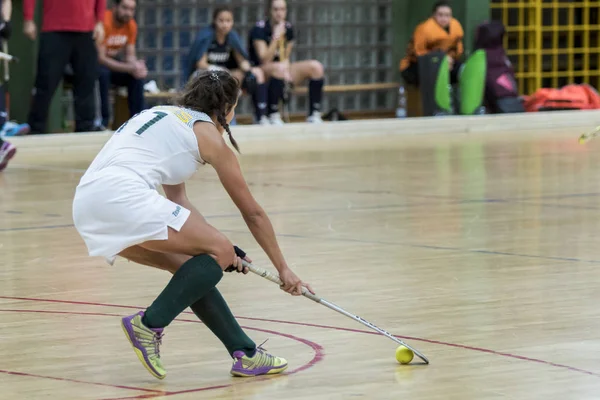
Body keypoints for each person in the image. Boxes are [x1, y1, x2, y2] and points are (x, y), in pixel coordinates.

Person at [72, 70, 313, 379]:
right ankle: (149, 324)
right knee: (216, 252)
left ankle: (245, 353)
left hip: (87, 204)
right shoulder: (210, 137)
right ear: (225, 108)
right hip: (122, 197)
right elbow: (252, 212)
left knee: (194, 265)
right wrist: (283, 268)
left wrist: (221, 248)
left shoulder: (164, 116)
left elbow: (179, 205)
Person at [24, 0, 105, 134]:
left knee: (87, 81)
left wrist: (100, 21)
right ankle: (36, 129)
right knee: (45, 82)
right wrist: (28, 18)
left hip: (86, 29)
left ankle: (85, 129)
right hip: (54, 29)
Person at [185, 6, 268, 125]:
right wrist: (218, 69)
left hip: (224, 77)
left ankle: (260, 117)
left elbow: (241, 61)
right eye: (221, 20)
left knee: (256, 73)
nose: (225, 24)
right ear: (214, 21)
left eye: (228, 21)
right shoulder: (207, 36)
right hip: (205, 76)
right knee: (220, 82)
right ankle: (216, 121)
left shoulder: (232, 37)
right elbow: (200, 63)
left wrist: (250, 71)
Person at [249, 0, 325, 125]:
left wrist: (287, 68)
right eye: (276, 9)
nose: (279, 13)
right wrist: (275, 37)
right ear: (269, 11)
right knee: (278, 68)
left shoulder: (288, 28)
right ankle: (273, 114)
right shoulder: (260, 29)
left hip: (281, 69)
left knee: (316, 67)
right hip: (262, 71)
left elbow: (285, 56)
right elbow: (264, 58)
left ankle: (314, 114)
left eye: (283, 9)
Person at [98, 0, 147, 129]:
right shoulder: (105, 21)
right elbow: (101, 58)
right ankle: (103, 122)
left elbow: (130, 55)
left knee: (136, 77)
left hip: (113, 66)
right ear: (115, 7)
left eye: (132, 9)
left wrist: (137, 67)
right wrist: (129, 67)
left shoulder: (131, 25)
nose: (128, 13)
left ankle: (138, 123)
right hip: (96, 66)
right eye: (125, 8)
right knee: (103, 73)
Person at [399, 1, 464, 86]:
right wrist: (441, 60)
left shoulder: (455, 27)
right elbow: (418, 53)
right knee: (433, 71)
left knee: (462, 70)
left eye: (447, 15)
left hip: (446, 63)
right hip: (415, 66)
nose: (444, 18)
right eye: (440, 15)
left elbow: (458, 50)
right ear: (434, 15)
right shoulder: (424, 29)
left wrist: (449, 60)